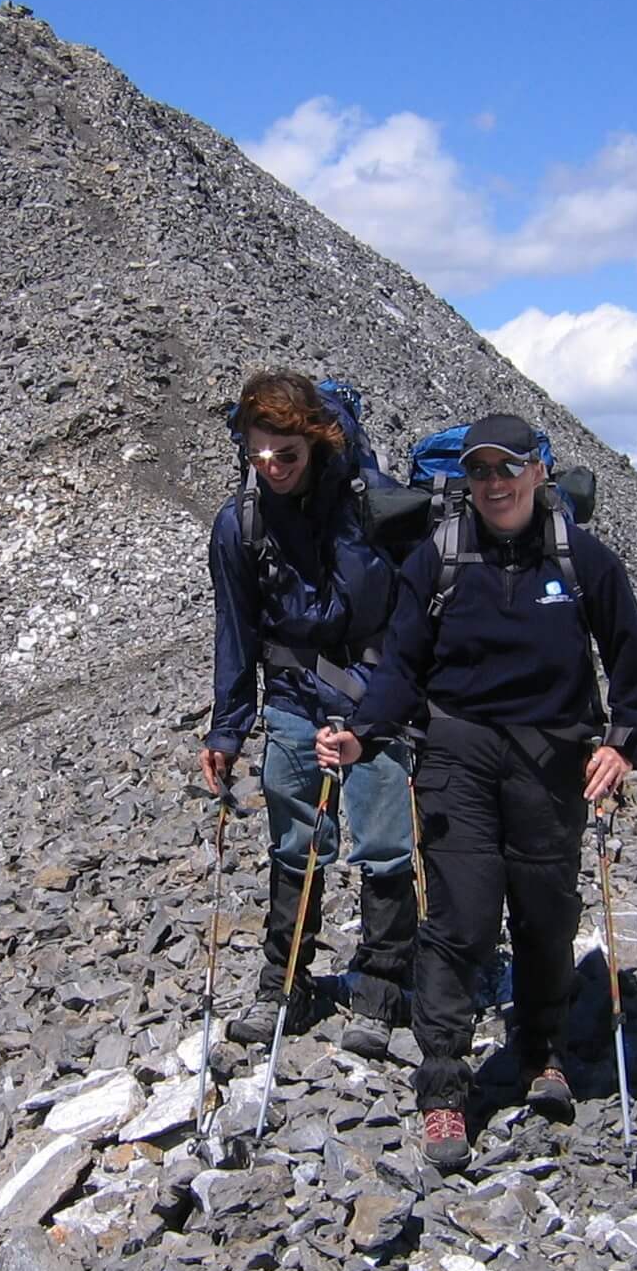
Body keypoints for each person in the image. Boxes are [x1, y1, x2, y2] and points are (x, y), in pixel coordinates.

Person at [318, 412, 637, 1173]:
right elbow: (400, 667)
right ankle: (443, 1090)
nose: (495, 483)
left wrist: (622, 745)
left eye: (508, 468)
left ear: (540, 470)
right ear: (466, 481)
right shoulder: (438, 558)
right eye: (480, 471)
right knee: (463, 922)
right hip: (457, 757)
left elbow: (632, 667)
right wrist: (361, 734)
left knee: (546, 917)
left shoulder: (584, 561)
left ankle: (543, 1054)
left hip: (554, 760)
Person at [202, 373, 419, 1057]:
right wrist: (228, 729)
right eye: (259, 455)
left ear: (316, 443)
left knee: (384, 845)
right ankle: (284, 986)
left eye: (286, 456)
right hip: (294, 699)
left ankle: (381, 992)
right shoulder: (239, 526)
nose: (272, 468)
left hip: (375, 699)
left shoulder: (374, 507)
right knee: (295, 844)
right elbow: (234, 632)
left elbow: (415, 613)